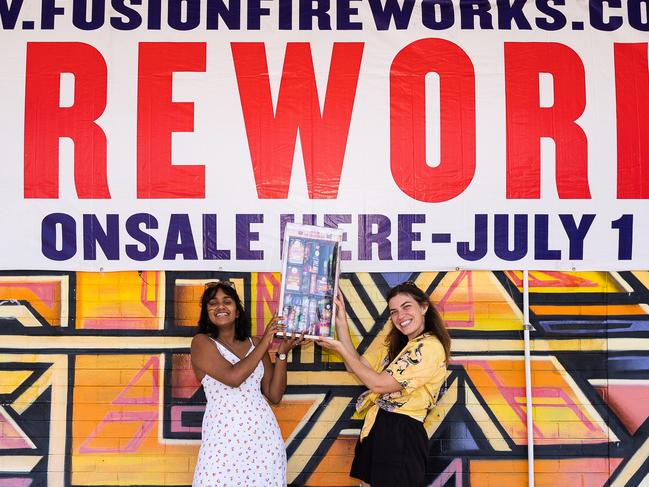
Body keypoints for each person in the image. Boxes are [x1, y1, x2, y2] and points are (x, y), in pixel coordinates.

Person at [317, 281, 451, 487]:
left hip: (402, 435)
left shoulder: (429, 348)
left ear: (423, 307)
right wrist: (341, 321)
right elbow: (356, 366)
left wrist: (341, 349)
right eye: (394, 311)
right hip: (380, 428)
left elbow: (379, 385)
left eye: (407, 307)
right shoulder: (401, 346)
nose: (400, 316)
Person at [190, 280, 304, 487]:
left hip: (263, 439)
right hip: (222, 440)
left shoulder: (254, 343)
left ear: (237, 311)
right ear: (207, 312)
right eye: (213, 303)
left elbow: (274, 394)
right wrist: (264, 343)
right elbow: (233, 378)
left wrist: (281, 354)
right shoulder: (201, 343)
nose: (220, 307)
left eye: (227, 302)